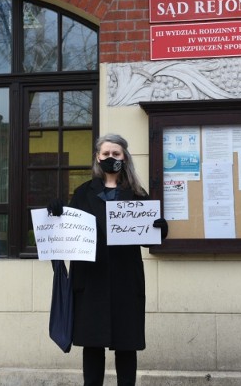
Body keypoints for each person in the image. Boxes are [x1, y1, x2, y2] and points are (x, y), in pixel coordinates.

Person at [47, 134, 168, 386]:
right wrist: (56, 214)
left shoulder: (136, 194)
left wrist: (160, 227)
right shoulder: (82, 193)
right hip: (90, 280)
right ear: (97, 158)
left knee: (126, 345)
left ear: (125, 158)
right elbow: (66, 236)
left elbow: (150, 237)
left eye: (116, 154)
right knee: (92, 345)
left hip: (125, 279)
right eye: (105, 154)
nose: (110, 158)